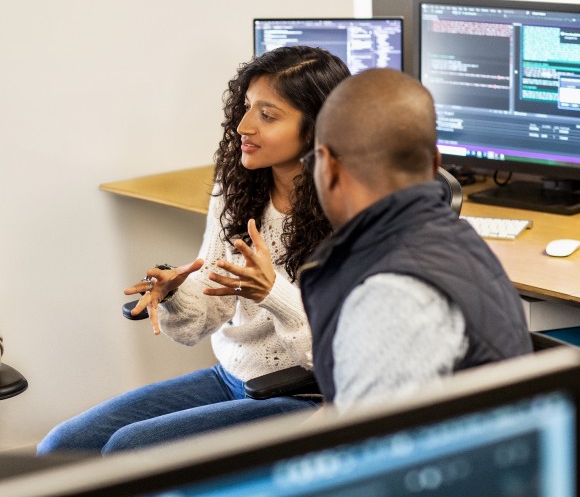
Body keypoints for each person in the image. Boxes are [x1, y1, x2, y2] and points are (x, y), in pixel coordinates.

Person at [37, 46, 350, 455]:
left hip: (305, 394)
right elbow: (211, 306)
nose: (242, 126)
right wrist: (175, 292)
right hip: (233, 375)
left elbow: (342, 354)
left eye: (267, 115)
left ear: (315, 129)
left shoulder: (348, 209)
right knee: (62, 447)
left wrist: (272, 292)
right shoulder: (238, 187)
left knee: (129, 449)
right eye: (246, 107)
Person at [299, 68, 532, 411]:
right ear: (434, 163)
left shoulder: (391, 296)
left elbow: (372, 458)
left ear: (328, 167)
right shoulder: (456, 239)